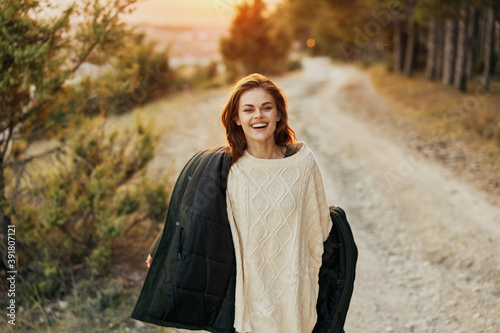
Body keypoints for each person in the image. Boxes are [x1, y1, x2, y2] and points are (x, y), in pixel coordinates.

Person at [131, 73, 356, 333]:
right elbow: (195, 211)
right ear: (237, 118)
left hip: (295, 301)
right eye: (248, 110)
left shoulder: (303, 164)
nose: (258, 116)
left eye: (266, 108)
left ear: (279, 114)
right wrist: (162, 245)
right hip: (247, 306)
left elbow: (319, 231)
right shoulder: (226, 169)